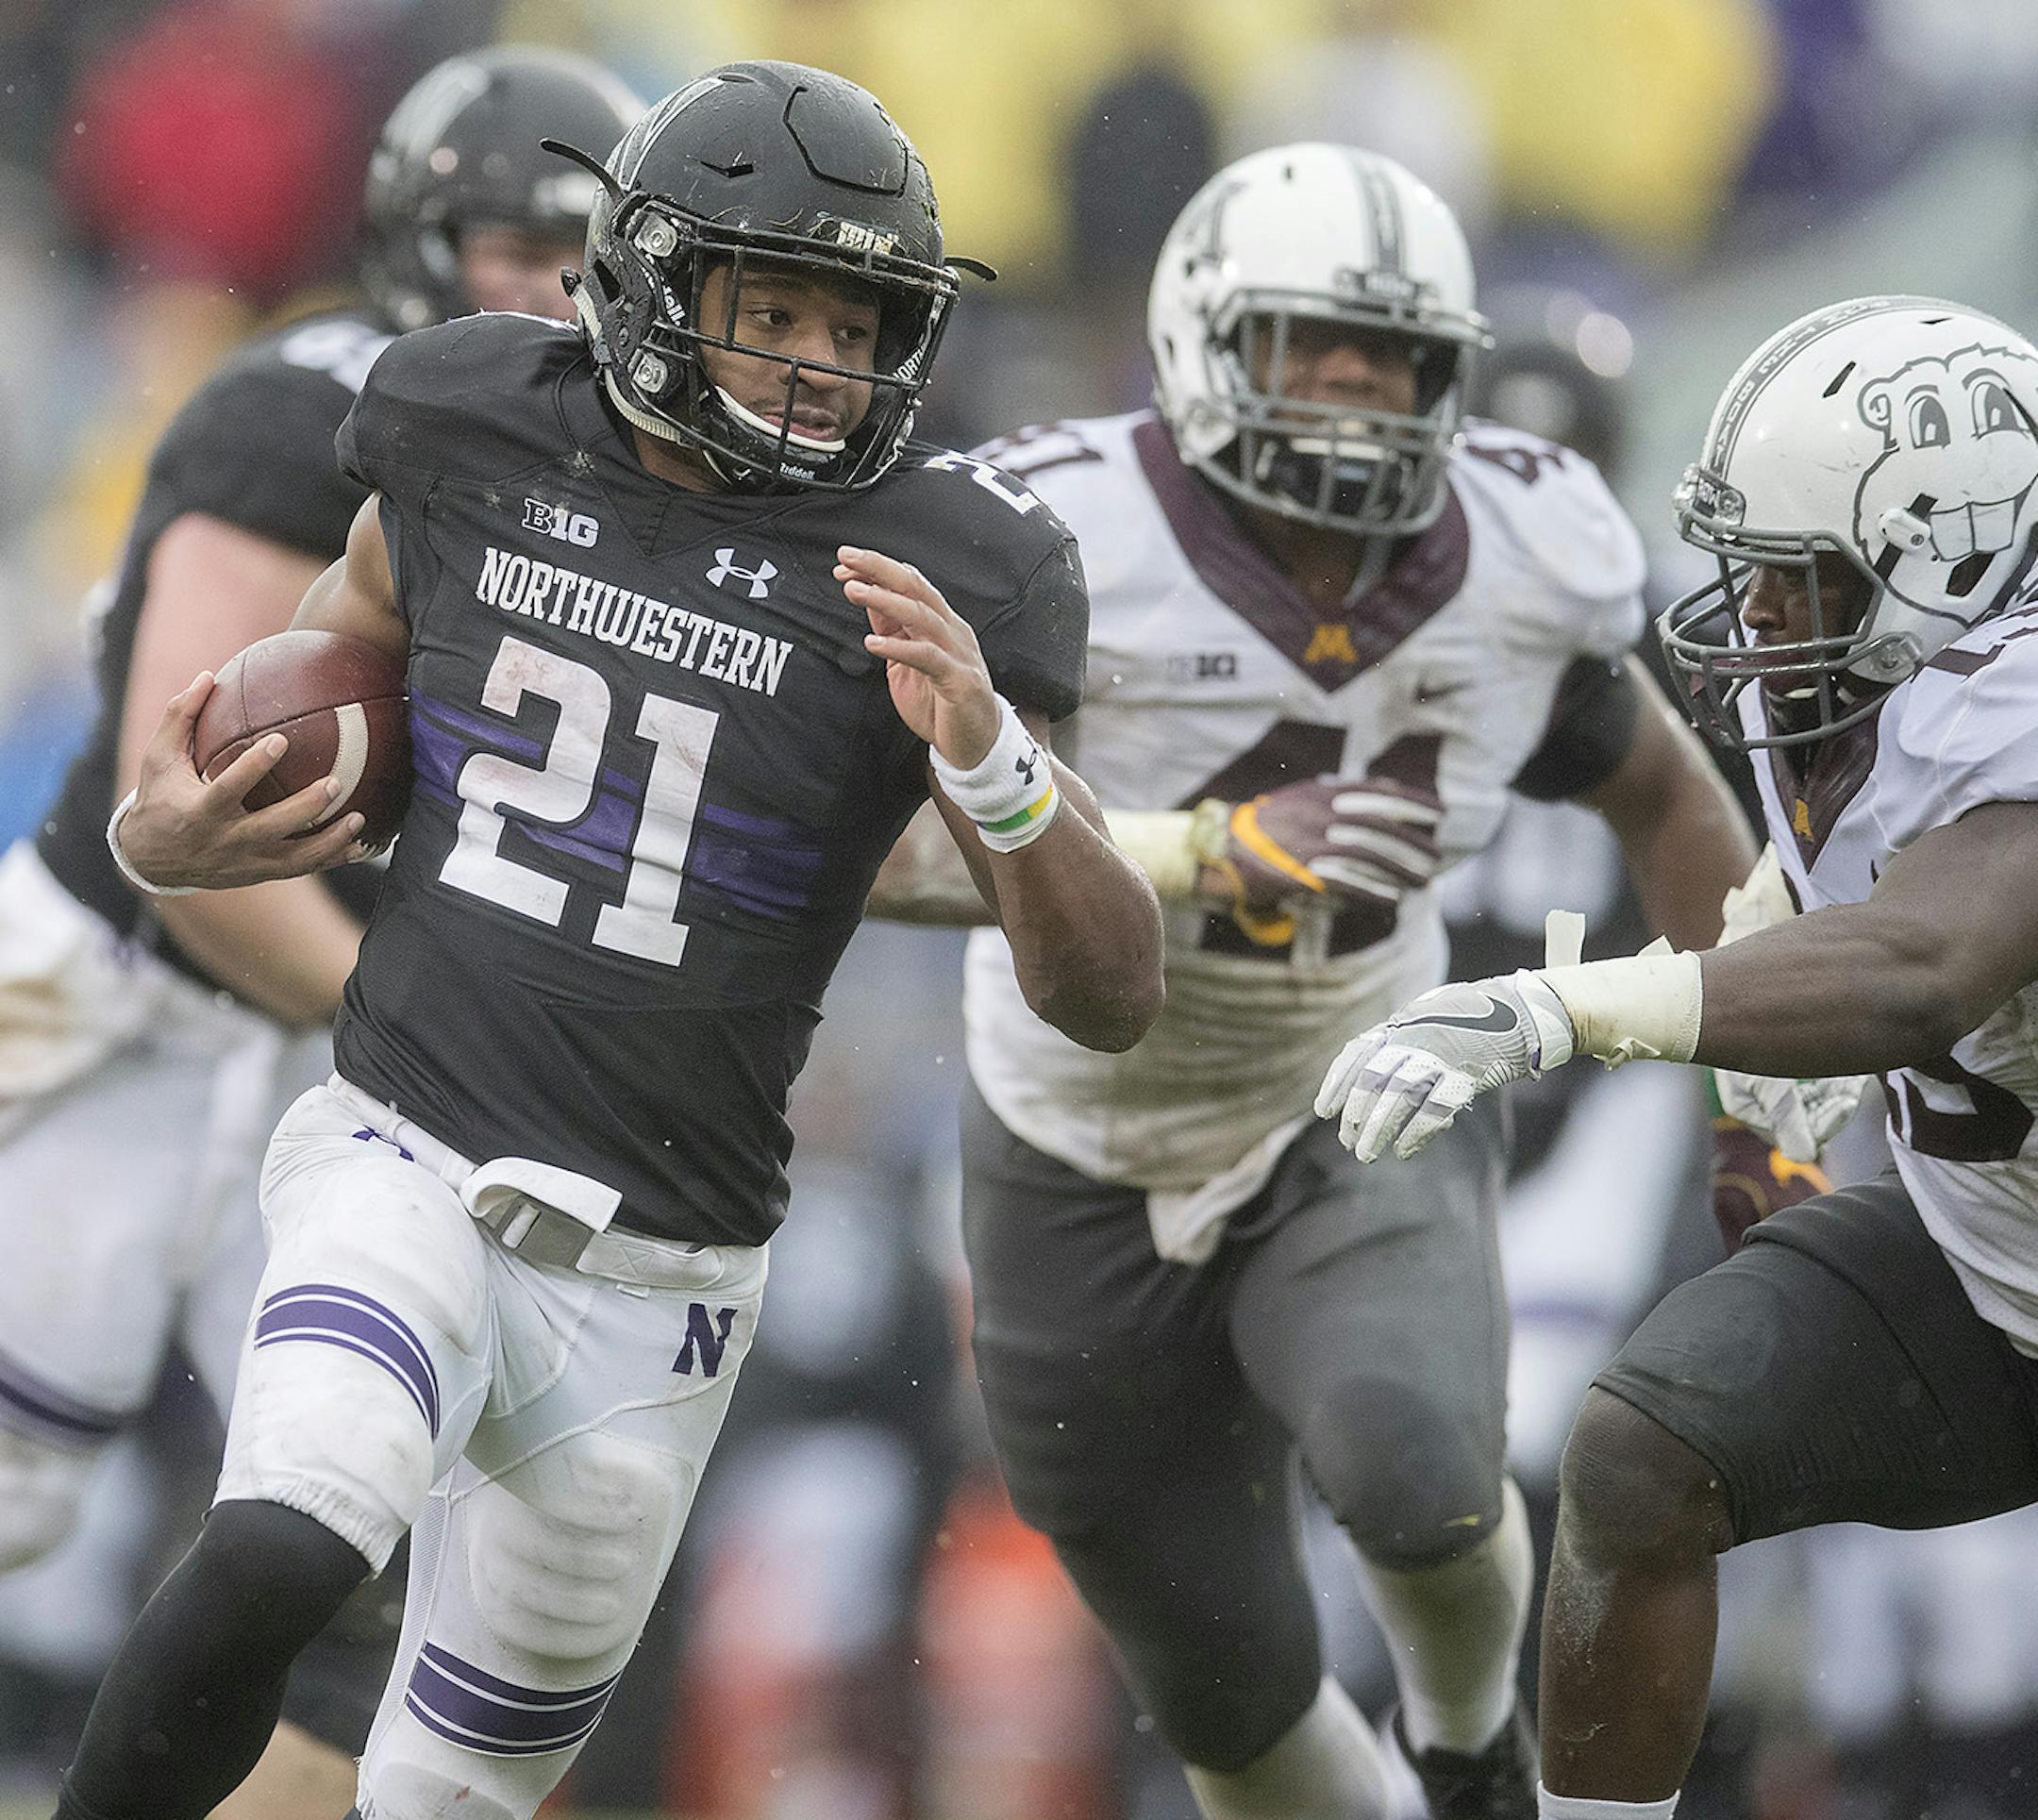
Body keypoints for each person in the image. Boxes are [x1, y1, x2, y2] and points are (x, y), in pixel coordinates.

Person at [60, 58, 1163, 1820]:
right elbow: (308, 678)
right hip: (402, 1140)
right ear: (653, 282)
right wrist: (165, 837)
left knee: (446, 1797)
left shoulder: (964, 565)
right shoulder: (465, 414)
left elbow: (1110, 993)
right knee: (289, 1533)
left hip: (664, 1279)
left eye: (855, 318)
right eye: (771, 304)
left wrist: (996, 760)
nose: (818, 357)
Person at [868, 142, 1756, 1820]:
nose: (1354, 400)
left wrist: (1768, 1085)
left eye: (1395, 363)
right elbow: (892, 860)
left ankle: (1474, 1745)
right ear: (1207, 345)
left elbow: (1662, 790)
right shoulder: (1050, 530)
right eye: (1310, 352)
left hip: (1356, 1083)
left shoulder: (1522, 541)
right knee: (1229, 1688)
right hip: (1070, 1146)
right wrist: (1205, 850)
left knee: (1417, 1466)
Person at [0, 42, 643, 1819]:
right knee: (20, 1496)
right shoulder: (309, 407)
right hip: (123, 1007)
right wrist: (440, 1036)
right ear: (417, 239)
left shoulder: (628, 491)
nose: (546, 292)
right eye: (511, 244)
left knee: (355, 1543)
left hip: (340, 1061)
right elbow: (183, 817)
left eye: (586, 252)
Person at [1313, 293, 2038, 1820]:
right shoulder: (1851, 691)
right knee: (1643, 1455)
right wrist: (1762, 1107)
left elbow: (1924, 963)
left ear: (1952, 553)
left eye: (1796, 577)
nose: (1755, 613)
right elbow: (1820, 901)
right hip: (1996, 1271)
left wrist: (1562, 1010)